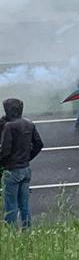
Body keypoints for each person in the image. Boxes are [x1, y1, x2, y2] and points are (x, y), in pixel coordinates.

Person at [0, 98, 44, 229]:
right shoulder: (29, 124)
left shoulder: (9, 126)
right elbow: (39, 144)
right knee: (24, 204)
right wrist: (27, 158)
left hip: (12, 170)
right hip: (25, 168)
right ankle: (27, 229)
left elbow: (5, 151)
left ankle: (11, 232)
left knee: (10, 205)